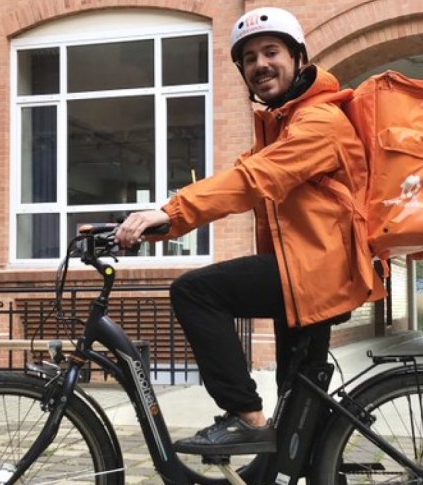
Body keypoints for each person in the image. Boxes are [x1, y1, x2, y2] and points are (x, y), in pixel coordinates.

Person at [115, 6, 379, 455]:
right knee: (296, 419)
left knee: (195, 292)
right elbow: (237, 177)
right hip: (305, 272)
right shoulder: (282, 125)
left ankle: (244, 416)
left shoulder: (318, 122)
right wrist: (153, 223)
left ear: (298, 58)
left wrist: (169, 211)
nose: (260, 65)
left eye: (271, 52)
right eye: (250, 58)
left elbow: (253, 179)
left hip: (316, 271)